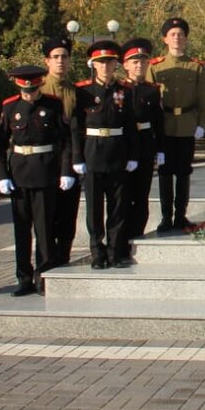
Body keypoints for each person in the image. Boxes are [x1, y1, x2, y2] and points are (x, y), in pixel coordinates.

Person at [0, 65, 73, 295]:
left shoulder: (53, 105)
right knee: (21, 230)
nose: (30, 93)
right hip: (18, 175)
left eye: (34, 89)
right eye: (25, 90)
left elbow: (66, 141)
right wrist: (1, 175)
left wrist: (65, 171)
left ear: (39, 85)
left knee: (45, 230)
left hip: (46, 172)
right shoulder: (10, 107)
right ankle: (24, 277)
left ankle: (43, 275)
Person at [72, 40, 138, 268]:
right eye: (100, 63)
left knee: (118, 206)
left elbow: (130, 125)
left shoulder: (124, 91)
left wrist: (132, 155)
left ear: (115, 65)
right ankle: (97, 251)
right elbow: (76, 127)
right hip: (92, 152)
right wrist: (77, 157)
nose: (105, 67)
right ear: (93, 65)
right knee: (94, 207)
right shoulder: (83, 91)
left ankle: (115, 251)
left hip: (117, 151)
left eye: (109, 62)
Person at [146, 18, 205, 232]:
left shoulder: (196, 67)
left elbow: (203, 99)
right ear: (165, 39)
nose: (177, 37)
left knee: (183, 172)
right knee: (165, 173)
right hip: (164, 126)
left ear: (186, 38)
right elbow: (149, 99)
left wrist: (202, 123)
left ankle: (180, 215)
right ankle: (166, 217)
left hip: (186, 125)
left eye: (181, 34)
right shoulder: (155, 67)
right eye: (172, 34)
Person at [41, 36, 81, 268]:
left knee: (68, 214)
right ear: (47, 61)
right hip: (46, 160)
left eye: (64, 57)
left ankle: (63, 259)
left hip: (70, 159)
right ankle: (46, 263)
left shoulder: (75, 91)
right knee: (47, 217)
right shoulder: (39, 89)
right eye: (55, 57)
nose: (60, 61)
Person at [122, 38, 163, 241]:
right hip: (124, 146)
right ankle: (122, 237)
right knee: (123, 195)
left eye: (143, 62)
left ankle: (137, 235)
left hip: (145, 144)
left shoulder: (152, 90)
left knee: (141, 195)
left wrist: (160, 149)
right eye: (135, 62)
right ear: (126, 65)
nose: (139, 66)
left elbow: (158, 121)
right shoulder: (119, 89)